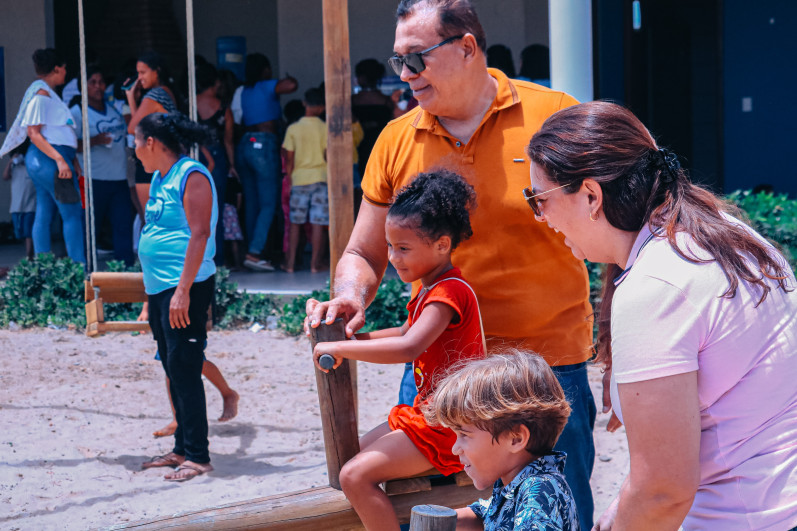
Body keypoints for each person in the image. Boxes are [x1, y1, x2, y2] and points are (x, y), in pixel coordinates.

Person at [305, 2, 596, 527]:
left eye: (416, 58)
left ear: (466, 47)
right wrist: (350, 295)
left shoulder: (554, 115)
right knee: (432, 518)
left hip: (546, 372)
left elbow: (614, 221)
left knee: (553, 514)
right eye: (398, 62)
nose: (405, 74)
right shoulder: (396, 138)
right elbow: (363, 253)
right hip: (439, 378)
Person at [525, 100, 797, 530]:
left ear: (591, 196)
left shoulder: (656, 286)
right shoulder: (727, 233)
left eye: (538, 199)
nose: (541, 218)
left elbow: (663, 491)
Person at [312, 169, 485, 531]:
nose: (392, 257)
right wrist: (347, 339)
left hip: (453, 424)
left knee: (353, 475)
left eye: (403, 248)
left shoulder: (450, 291)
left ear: (442, 245)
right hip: (429, 414)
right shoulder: (430, 288)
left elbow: (409, 346)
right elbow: (406, 331)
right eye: (389, 246)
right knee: (350, 457)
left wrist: (340, 347)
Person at [134, 113, 217, 482]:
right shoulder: (160, 177)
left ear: (151, 142)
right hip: (161, 289)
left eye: (137, 143)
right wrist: (151, 295)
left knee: (185, 367)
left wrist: (182, 290)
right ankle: (181, 449)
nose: (135, 151)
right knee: (173, 367)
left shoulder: (191, 174)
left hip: (187, 287)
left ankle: (198, 456)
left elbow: (199, 234)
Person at [425, 350, 579, 531]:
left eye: (464, 434)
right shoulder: (517, 484)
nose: (455, 449)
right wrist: (437, 521)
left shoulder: (538, 494)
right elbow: (487, 513)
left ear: (516, 439)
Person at [0, 48, 85, 265]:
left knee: (45, 212)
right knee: (72, 212)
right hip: (49, 160)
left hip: (48, 159)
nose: (66, 72)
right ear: (56, 69)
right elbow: (34, 133)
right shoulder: (41, 96)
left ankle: (44, 268)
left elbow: (56, 132)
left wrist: (71, 159)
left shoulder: (46, 93)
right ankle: (79, 268)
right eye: (64, 68)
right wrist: (60, 160)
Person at [236, 53, 298, 272]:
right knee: (269, 203)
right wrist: (287, 77)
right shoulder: (265, 86)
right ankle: (254, 253)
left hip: (245, 143)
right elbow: (291, 85)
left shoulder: (243, 90)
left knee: (252, 204)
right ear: (264, 70)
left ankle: (251, 251)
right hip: (263, 144)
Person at [71, 65, 134, 265]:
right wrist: (94, 141)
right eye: (93, 82)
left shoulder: (114, 108)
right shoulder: (77, 112)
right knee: (89, 228)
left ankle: (126, 272)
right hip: (90, 180)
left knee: (123, 226)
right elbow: (69, 146)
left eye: (101, 82)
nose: (98, 86)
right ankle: (86, 271)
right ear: (83, 87)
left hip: (119, 178)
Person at [125, 51, 178, 217]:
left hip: (151, 162)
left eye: (143, 72)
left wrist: (131, 100)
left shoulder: (155, 95)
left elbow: (133, 128)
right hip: (167, 160)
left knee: (151, 219)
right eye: (138, 73)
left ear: (157, 71)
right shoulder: (167, 92)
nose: (139, 78)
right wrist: (134, 101)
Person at [282, 88, 328, 273]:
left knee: (295, 223)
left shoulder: (293, 128)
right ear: (322, 107)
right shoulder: (325, 128)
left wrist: (289, 179)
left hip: (299, 179)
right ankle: (315, 265)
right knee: (318, 223)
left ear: (304, 103)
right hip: (321, 178)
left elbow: (289, 159)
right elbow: (328, 155)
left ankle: (290, 264)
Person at [196, 62, 237, 266]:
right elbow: (228, 141)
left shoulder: (190, 103)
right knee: (216, 211)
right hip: (218, 159)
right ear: (216, 82)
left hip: (195, 156)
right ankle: (216, 261)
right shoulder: (223, 109)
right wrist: (232, 164)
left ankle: (197, 259)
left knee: (194, 211)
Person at [2, 142, 36, 260]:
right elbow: (5, 177)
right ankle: (28, 253)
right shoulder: (14, 167)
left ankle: (29, 256)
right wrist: (11, 162)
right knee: (19, 232)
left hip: (30, 205)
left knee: (28, 232)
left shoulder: (31, 166)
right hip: (16, 206)